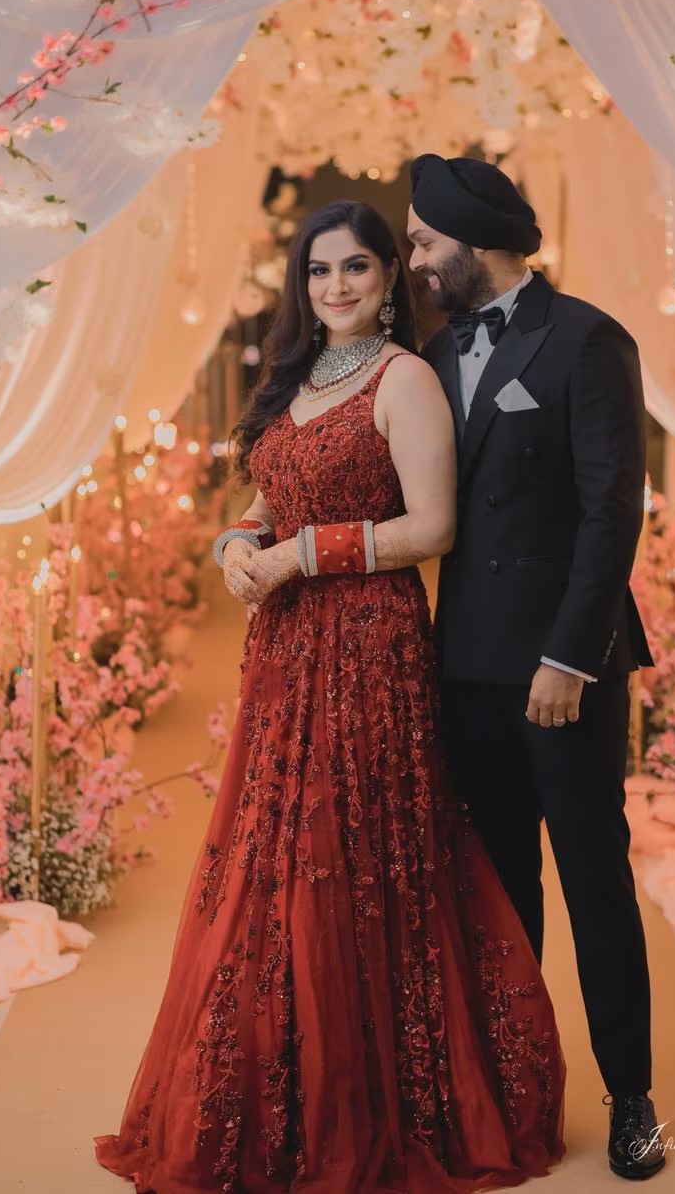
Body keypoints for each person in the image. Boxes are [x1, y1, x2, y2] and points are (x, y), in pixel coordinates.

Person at [95, 199, 566, 1194]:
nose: (337, 287)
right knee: (271, 854)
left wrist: (302, 555)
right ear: (300, 284)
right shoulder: (300, 377)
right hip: (283, 652)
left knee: (348, 855)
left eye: (356, 268)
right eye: (319, 271)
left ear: (392, 278)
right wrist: (238, 539)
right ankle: (280, 1092)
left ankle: (383, 1098)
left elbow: (430, 526)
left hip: (368, 644)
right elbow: (274, 490)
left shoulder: (408, 381)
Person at [410, 153, 664, 1181]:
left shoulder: (589, 340)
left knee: (592, 876)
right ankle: (519, 1094)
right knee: (502, 888)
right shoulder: (432, 354)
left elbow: (613, 509)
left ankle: (632, 1097)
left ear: (479, 246)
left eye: (427, 243)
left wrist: (570, 655)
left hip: (566, 664)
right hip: (467, 662)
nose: (415, 260)